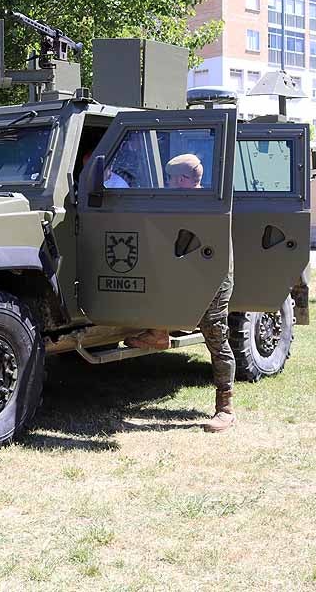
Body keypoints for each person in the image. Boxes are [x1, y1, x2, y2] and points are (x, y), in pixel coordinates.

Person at [125, 152, 236, 433]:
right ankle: (159, 334)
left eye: (173, 179)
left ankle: (225, 409)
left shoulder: (209, 202)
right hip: (184, 270)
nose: (169, 183)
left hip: (213, 276)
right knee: (157, 289)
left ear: (185, 180)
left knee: (215, 335)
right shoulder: (179, 200)